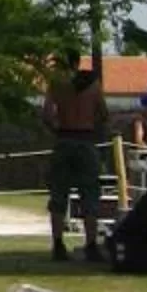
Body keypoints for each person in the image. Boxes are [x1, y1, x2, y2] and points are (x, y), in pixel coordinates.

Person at [41, 61, 106, 262]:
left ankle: (58, 245)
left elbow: (46, 114)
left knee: (59, 194)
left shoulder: (57, 85)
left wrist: (57, 130)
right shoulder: (93, 84)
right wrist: (90, 127)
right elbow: (103, 113)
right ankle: (91, 244)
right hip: (85, 139)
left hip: (64, 139)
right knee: (90, 194)